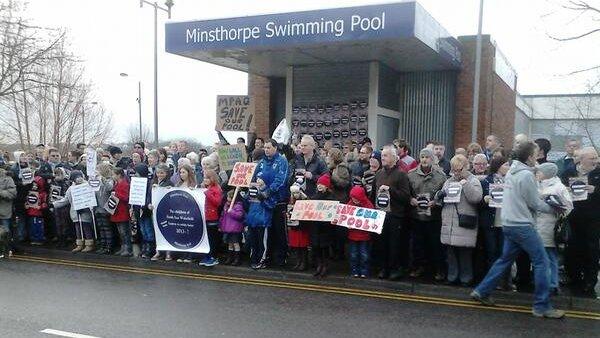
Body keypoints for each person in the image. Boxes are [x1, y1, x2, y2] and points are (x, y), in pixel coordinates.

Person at [471, 141, 565, 319]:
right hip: (522, 225)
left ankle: (482, 291)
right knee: (542, 262)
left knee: (504, 260)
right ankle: (542, 306)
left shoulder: (512, 172)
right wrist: (555, 208)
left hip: (509, 223)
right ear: (529, 157)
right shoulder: (526, 176)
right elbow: (535, 203)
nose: (537, 156)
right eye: (535, 153)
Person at [439, 154, 482, 286]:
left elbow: (476, 198)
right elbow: (440, 199)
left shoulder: (473, 180)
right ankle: (452, 277)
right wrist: (439, 195)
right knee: (451, 253)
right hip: (449, 223)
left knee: (465, 253)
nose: (456, 172)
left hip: (464, 222)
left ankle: (466, 278)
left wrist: (465, 184)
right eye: (454, 169)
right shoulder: (449, 181)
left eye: (459, 169)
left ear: (466, 167)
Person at [562, 147, 600, 297]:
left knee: (591, 249)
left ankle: (590, 281)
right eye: (592, 158)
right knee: (572, 248)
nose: (596, 161)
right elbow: (559, 188)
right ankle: (574, 277)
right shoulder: (569, 172)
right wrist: (565, 190)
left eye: (596, 158)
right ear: (582, 159)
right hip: (573, 216)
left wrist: (595, 190)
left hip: (593, 218)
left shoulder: (598, 173)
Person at [247, 139, 289, 270]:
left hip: (278, 201)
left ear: (275, 148)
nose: (266, 150)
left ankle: (281, 258)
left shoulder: (282, 161)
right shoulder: (261, 162)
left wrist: (267, 192)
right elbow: (253, 179)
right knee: (267, 232)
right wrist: (254, 191)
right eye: (265, 147)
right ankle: (268, 257)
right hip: (264, 203)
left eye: (269, 147)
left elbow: (281, 180)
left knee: (279, 231)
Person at [407, 148, 447, 280]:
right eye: (422, 157)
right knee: (417, 245)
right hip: (416, 216)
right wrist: (410, 200)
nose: (424, 159)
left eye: (427, 157)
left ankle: (438, 270)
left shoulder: (441, 176)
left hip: (434, 217)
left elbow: (444, 194)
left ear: (432, 159)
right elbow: (406, 192)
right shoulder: (411, 174)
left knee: (436, 245)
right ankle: (418, 267)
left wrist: (436, 202)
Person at [288, 136, 327, 269]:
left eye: (305, 145)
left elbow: (326, 178)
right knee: (299, 230)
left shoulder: (320, 161)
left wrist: (313, 176)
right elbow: (291, 175)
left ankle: (314, 262)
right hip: (298, 197)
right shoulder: (297, 159)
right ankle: (301, 260)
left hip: (312, 198)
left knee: (312, 232)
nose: (302, 147)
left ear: (312, 147)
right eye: (301, 145)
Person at [535, 162, 573, 295]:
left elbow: (568, 207)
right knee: (545, 256)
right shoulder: (538, 184)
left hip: (550, 226)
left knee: (549, 255)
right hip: (538, 225)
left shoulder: (558, 187)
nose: (537, 174)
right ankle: (549, 282)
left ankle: (551, 283)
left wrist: (553, 206)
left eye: (539, 172)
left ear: (546, 174)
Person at [374, 145, 411, 280]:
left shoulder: (401, 175)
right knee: (381, 244)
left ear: (394, 158)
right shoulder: (378, 174)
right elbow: (373, 194)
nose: (382, 158)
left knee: (394, 244)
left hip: (395, 216)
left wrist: (390, 190)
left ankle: (395, 269)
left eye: (386, 155)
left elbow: (406, 197)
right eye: (382, 155)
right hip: (380, 215)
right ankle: (383, 268)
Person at [478, 157, 512, 290]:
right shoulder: (486, 181)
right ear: (498, 166)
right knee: (492, 253)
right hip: (491, 222)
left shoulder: (511, 181)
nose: (508, 167)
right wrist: (485, 199)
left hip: (505, 222)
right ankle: (493, 282)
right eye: (506, 164)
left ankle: (506, 281)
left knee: (505, 253)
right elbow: (479, 202)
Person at [53, 171, 96, 253]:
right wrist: (55, 204)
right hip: (75, 212)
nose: (79, 179)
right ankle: (79, 244)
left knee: (86, 228)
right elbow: (66, 200)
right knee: (78, 229)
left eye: (80, 176)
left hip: (85, 211)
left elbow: (92, 197)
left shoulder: (88, 186)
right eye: (76, 177)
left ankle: (89, 244)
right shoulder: (71, 188)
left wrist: (90, 207)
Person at [327, 148, 352, 260]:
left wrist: (332, 178)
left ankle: (340, 253)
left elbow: (344, 183)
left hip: (341, 200)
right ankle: (335, 252)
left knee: (340, 230)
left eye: (329, 156)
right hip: (334, 200)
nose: (327, 158)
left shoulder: (342, 167)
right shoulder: (333, 168)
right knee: (332, 229)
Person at [309, 174, 335, 277]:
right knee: (317, 248)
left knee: (324, 248)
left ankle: (325, 266)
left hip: (325, 228)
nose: (319, 185)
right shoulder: (314, 197)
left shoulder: (331, 198)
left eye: (322, 184)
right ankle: (319, 265)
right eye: (318, 183)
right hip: (315, 227)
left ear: (327, 186)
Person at [346, 186, 374, 278]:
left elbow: (373, 218)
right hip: (353, 235)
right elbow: (345, 216)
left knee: (364, 254)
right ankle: (354, 270)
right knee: (353, 254)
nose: (354, 200)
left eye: (356, 198)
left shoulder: (368, 205)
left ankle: (364, 271)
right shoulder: (350, 204)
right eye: (353, 198)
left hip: (364, 235)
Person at [151, 164, 175, 261]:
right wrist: (149, 204)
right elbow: (150, 196)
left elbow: (170, 197)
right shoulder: (153, 182)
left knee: (167, 231)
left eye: (162, 173)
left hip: (165, 211)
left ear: (166, 173)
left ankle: (168, 253)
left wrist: (161, 189)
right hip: (155, 210)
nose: (159, 175)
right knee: (157, 232)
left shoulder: (169, 183)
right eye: (158, 173)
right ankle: (158, 251)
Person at [131, 163, 155, 259]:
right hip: (138, 209)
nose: (135, 175)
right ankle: (144, 246)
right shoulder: (136, 183)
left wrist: (144, 205)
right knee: (142, 229)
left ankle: (150, 248)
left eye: (137, 173)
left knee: (148, 229)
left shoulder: (148, 183)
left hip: (145, 210)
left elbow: (149, 196)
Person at [199, 169, 222, 267]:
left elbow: (217, 203)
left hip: (213, 218)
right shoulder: (206, 188)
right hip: (205, 217)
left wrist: (207, 193)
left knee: (213, 238)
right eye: (204, 178)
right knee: (207, 238)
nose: (205, 180)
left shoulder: (216, 189)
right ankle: (208, 256)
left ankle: (214, 257)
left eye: (207, 178)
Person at [175, 164, 197, 263]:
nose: (181, 174)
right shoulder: (178, 185)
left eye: (184, 172)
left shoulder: (194, 185)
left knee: (190, 234)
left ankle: (190, 255)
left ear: (189, 173)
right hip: (180, 213)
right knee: (181, 234)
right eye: (180, 172)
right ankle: (183, 254)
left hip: (190, 214)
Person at [110, 168, 132, 257]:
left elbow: (126, 197)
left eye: (113, 174)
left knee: (124, 231)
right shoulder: (117, 184)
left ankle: (128, 249)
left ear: (119, 175)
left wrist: (116, 195)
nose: (112, 176)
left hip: (123, 211)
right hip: (117, 210)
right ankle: (123, 247)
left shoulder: (125, 184)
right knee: (120, 232)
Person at [219, 189, 245, 266]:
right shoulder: (226, 205)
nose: (228, 198)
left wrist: (231, 211)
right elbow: (223, 216)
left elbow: (240, 216)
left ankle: (237, 259)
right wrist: (220, 225)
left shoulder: (238, 206)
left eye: (229, 197)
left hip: (235, 228)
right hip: (228, 228)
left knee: (236, 243)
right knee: (230, 243)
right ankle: (230, 257)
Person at [94, 162, 115, 255]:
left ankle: (109, 246)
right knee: (101, 228)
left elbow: (110, 188)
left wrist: (102, 179)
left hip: (105, 208)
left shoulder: (109, 180)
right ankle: (103, 245)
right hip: (97, 208)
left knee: (107, 228)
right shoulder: (96, 180)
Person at [50, 168, 72, 247]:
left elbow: (67, 195)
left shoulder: (66, 183)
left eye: (59, 174)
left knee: (64, 222)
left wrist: (61, 197)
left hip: (64, 205)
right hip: (56, 205)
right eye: (56, 174)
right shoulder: (53, 182)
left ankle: (64, 239)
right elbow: (51, 194)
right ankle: (60, 238)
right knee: (58, 223)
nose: (57, 176)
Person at [25, 176, 48, 245]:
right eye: (33, 185)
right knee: (32, 226)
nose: (34, 186)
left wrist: (40, 207)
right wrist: (26, 205)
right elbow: (27, 201)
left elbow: (45, 204)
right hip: (31, 212)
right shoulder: (30, 193)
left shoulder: (43, 194)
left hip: (38, 213)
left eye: (36, 185)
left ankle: (39, 239)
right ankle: (33, 238)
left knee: (38, 226)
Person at [0, 166, 16, 257]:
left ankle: (6, 251)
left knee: (5, 231)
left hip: (4, 210)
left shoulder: (8, 179)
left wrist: (1, 192)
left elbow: (13, 193)